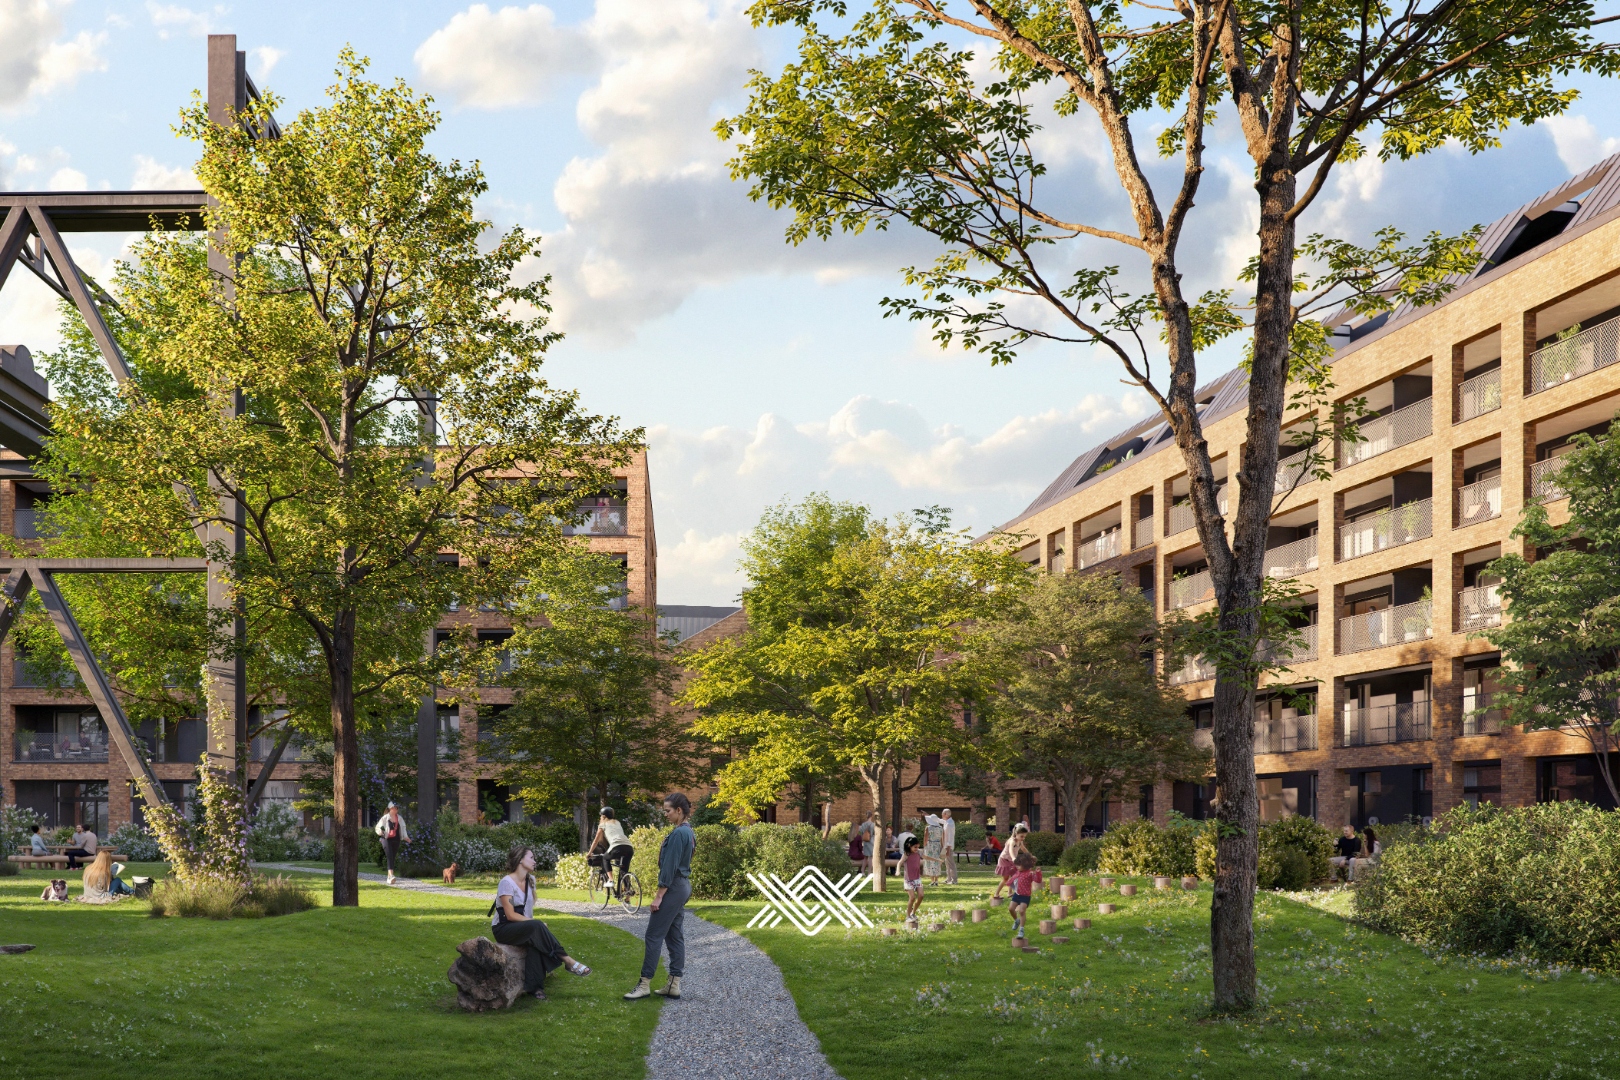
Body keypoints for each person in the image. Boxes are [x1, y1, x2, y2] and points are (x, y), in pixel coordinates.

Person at [491, 845, 591, 1002]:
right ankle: (567, 960)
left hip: (524, 927)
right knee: (537, 927)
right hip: (504, 928)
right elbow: (510, 915)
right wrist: (535, 923)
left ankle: (535, 987)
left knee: (535, 941)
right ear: (520, 860)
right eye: (531, 857)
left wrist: (534, 926)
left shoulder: (531, 881)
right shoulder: (506, 883)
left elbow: (527, 911)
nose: (535, 861)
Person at [626, 793, 695, 1001]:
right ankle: (674, 984)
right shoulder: (688, 832)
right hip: (681, 886)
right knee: (674, 935)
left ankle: (644, 984)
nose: (665, 814)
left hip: (673, 887)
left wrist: (658, 896)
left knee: (653, 935)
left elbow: (669, 867)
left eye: (668, 811)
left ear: (679, 811)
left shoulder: (678, 834)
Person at [587, 807, 635, 897]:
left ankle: (611, 880)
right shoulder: (617, 822)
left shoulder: (603, 824)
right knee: (623, 871)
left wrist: (589, 853)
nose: (600, 818)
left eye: (601, 816)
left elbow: (596, 841)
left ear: (604, 816)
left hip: (617, 847)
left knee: (605, 858)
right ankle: (627, 893)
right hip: (629, 848)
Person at [1007, 852, 1042, 942]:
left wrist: (1038, 873)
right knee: (1011, 909)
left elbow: (1038, 880)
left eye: (1019, 865)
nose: (1017, 867)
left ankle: (1021, 930)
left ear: (1025, 865)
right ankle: (1016, 920)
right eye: (1017, 865)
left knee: (1022, 911)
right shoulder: (1018, 871)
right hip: (1017, 895)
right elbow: (1012, 880)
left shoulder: (1030, 873)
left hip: (1025, 896)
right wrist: (1011, 891)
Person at [373, 801, 410, 885]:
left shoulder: (400, 818)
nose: (396, 809)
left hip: (396, 839)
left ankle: (389, 877)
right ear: (390, 808)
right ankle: (392, 875)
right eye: (394, 807)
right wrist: (381, 832)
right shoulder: (385, 818)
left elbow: (403, 828)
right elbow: (377, 828)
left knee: (392, 857)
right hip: (386, 839)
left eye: (397, 808)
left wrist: (406, 837)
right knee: (389, 856)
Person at [993, 823, 1027, 899]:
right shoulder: (1012, 841)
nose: (1023, 838)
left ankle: (1010, 893)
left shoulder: (1020, 841)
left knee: (1014, 876)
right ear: (1016, 833)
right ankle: (996, 894)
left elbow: (1023, 849)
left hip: (1011, 860)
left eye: (1024, 837)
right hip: (1004, 860)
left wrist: (1030, 856)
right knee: (1005, 878)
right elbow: (1011, 851)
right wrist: (1014, 858)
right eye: (1022, 836)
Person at [902, 835, 925, 922]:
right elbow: (899, 863)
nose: (916, 849)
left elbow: (926, 857)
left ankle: (913, 913)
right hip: (908, 880)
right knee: (912, 898)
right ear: (909, 846)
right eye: (915, 847)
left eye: (918, 847)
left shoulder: (918, 853)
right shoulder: (906, 854)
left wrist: (937, 860)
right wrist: (897, 870)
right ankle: (908, 916)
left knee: (921, 895)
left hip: (917, 878)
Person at [922, 814, 945, 885]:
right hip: (937, 845)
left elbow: (925, 838)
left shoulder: (928, 828)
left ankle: (932, 881)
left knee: (930, 861)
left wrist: (924, 845)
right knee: (937, 862)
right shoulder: (941, 828)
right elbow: (942, 839)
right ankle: (936, 880)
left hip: (930, 845)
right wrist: (942, 847)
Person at [941, 808, 958, 885]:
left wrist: (948, 848)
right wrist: (928, 816)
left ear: (946, 814)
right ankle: (949, 879)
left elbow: (950, 837)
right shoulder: (947, 822)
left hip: (948, 847)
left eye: (943, 813)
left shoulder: (950, 824)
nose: (941, 815)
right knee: (947, 863)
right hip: (946, 846)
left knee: (950, 863)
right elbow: (939, 820)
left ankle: (954, 880)